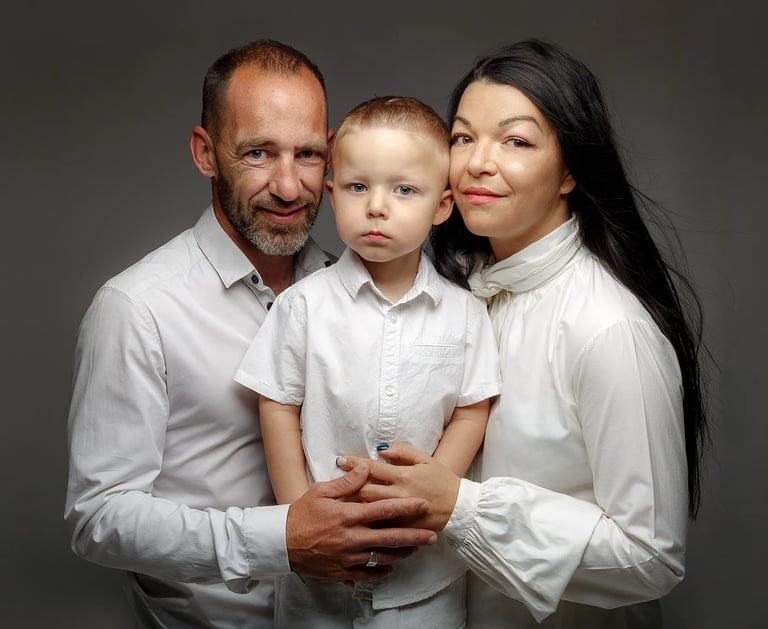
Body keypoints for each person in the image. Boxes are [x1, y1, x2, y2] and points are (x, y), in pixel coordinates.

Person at [64, 40, 438, 629]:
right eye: (258, 153)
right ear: (205, 152)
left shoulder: (360, 289)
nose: (289, 187)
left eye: (309, 154)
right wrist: (281, 539)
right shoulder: (136, 309)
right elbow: (100, 519)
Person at [338, 39, 709, 628]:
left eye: (516, 141)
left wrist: (461, 507)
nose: (477, 163)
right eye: (463, 137)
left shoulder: (608, 328)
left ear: (569, 172)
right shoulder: (456, 293)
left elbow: (651, 557)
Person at [234, 96, 500, 628]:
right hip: (317, 585)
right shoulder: (303, 306)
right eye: (358, 187)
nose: (377, 206)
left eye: (404, 190)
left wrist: (432, 491)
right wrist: (298, 515)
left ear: (442, 206)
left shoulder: (466, 314)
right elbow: (277, 405)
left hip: (424, 579)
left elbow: (474, 408)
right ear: (332, 195)